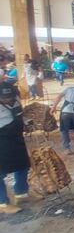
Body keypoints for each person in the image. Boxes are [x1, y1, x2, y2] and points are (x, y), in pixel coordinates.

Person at [0, 82, 30, 214]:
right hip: (1, 140)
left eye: (10, 96)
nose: (8, 99)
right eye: (4, 97)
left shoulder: (16, 100)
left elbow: (20, 116)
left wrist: (27, 122)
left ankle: (21, 193)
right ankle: (2, 203)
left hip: (16, 139)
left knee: (23, 165)